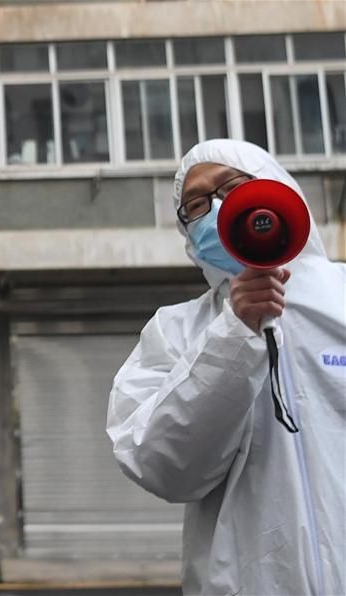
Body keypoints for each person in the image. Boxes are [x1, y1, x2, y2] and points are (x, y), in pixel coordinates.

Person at [106, 139, 345, 595]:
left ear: (275, 189)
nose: (216, 208)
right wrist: (234, 333)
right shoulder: (174, 332)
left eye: (232, 187)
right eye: (195, 204)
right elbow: (163, 467)